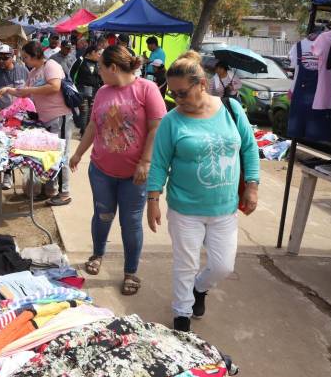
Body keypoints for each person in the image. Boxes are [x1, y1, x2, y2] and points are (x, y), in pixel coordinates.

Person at [145, 51, 260, 332]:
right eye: (172, 94)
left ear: (202, 85)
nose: (177, 100)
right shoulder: (172, 121)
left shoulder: (232, 110)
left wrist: (253, 186)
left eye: (182, 93)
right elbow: (159, 163)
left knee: (223, 267)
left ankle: (200, 288)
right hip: (185, 208)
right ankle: (181, 315)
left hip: (224, 207)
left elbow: (249, 147)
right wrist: (153, 199)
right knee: (185, 263)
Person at [69, 44, 166, 295]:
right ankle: (97, 253)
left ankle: (130, 271)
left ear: (113, 67)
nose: (98, 71)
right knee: (102, 215)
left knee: (130, 222)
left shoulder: (147, 89)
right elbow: (92, 126)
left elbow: (157, 128)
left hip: (135, 175)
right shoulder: (102, 91)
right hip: (101, 170)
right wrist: (79, 153)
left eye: (100, 67)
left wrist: (145, 162)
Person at [0, 41, 73, 206]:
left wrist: (30, 90)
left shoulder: (51, 65)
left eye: (26, 58)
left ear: (35, 55)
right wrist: (8, 90)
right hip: (45, 119)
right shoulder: (33, 72)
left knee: (61, 155)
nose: (24, 61)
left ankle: (64, 193)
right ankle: (49, 190)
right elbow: (24, 92)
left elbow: (54, 87)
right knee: (49, 154)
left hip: (60, 116)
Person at [0, 44, 29, 191]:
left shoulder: (23, 70)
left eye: (5, 57)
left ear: (12, 56)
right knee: (6, 145)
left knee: (20, 147)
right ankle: (7, 174)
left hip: (22, 116)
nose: (2, 60)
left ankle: (27, 176)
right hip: (3, 117)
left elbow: (31, 90)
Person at [69, 46, 103, 134]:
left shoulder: (98, 64)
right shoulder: (80, 61)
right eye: (98, 53)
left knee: (91, 112)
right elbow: (72, 74)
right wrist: (74, 87)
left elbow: (101, 77)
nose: (99, 56)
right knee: (84, 111)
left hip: (95, 91)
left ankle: (86, 131)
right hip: (81, 90)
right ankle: (84, 133)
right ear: (92, 52)